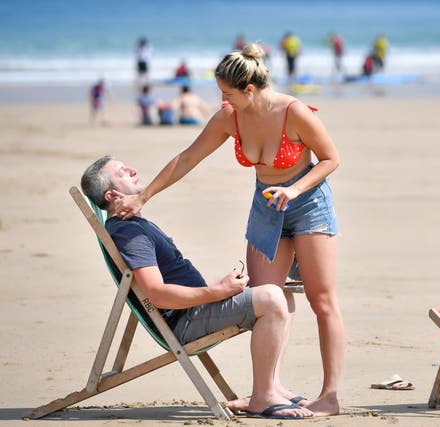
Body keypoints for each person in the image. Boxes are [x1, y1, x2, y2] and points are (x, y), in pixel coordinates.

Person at [114, 43, 344, 417]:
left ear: (249, 90)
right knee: (269, 296)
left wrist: (294, 189)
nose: (222, 100)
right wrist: (144, 198)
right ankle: (269, 391)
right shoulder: (229, 117)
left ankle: (329, 395)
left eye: (227, 93)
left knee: (321, 300)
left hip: (308, 204)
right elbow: (187, 157)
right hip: (266, 208)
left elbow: (332, 158)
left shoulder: (294, 112)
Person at [80, 156, 313, 420]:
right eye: (123, 172)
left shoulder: (134, 226)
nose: (133, 169)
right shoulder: (128, 233)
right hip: (185, 321)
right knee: (271, 298)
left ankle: (272, 386)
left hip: (194, 309)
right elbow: (157, 293)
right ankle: (264, 396)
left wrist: (223, 285)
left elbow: (173, 284)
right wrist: (219, 292)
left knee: (279, 291)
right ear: (112, 195)